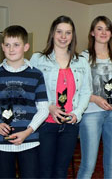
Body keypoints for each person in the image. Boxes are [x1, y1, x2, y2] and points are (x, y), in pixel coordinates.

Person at [30, 15, 92, 178]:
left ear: (73, 36)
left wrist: (77, 114)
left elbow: (86, 91)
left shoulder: (81, 62)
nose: (63, 37)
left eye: (68, 33)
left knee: (61, 171)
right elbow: (32, 90)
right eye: (59, 32)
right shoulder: (38, 59)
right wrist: (49, 107)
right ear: (52, 34)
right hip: (45, 124)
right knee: (44, 171)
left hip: (70, 125)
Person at [77, 16, 112, 178]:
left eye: (107, 29)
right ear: (92, 33)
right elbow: (77, 90)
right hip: (91, 113)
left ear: (111, 33)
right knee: (88, 164)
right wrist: (95, 99)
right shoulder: (82, 58)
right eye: (99, 29)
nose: (103, 32)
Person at [0, 25, 48, 178]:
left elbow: (44, 109)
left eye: (16, 45)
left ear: (26, 47)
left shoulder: (36, 74)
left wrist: (28, 132)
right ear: (2, 47)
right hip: (2, 144)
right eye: (7, 45)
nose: (11, 49)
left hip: (29, 141)